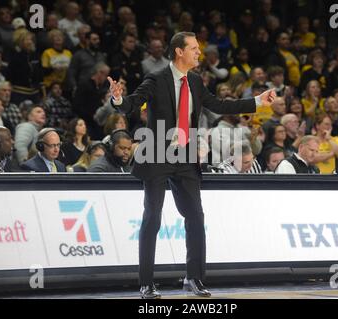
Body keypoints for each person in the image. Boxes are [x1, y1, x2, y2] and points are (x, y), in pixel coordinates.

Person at [107, 31, 276, 299]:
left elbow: (218, 104)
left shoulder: (195, 81)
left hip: (185, 157)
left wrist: (257, 101)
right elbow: (131, 105)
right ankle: (146, 283)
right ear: (179, 52)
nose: (200, 52)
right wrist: (117, 99)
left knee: (196, 217)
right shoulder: (156, 79)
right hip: (158, 155)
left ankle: (194, 278)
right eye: (194, 48)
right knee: (152, 219)